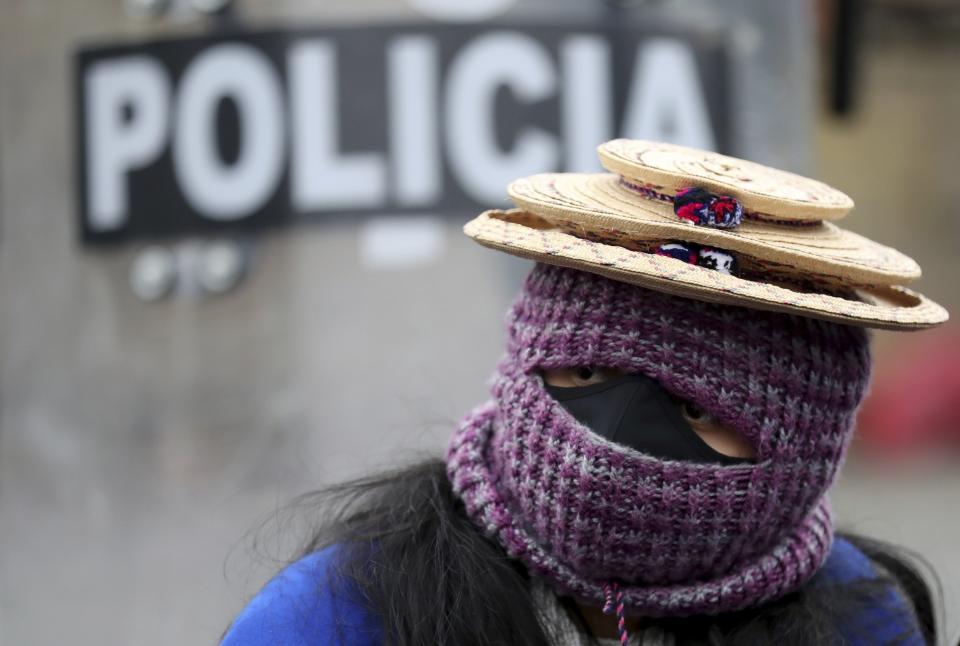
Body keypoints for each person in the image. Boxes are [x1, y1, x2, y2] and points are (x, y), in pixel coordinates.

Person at [220, 140, 947, 646]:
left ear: (807, 449)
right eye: (588, 375)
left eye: (696, 408)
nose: (608, 439)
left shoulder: (859, 623)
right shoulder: (343, 617)